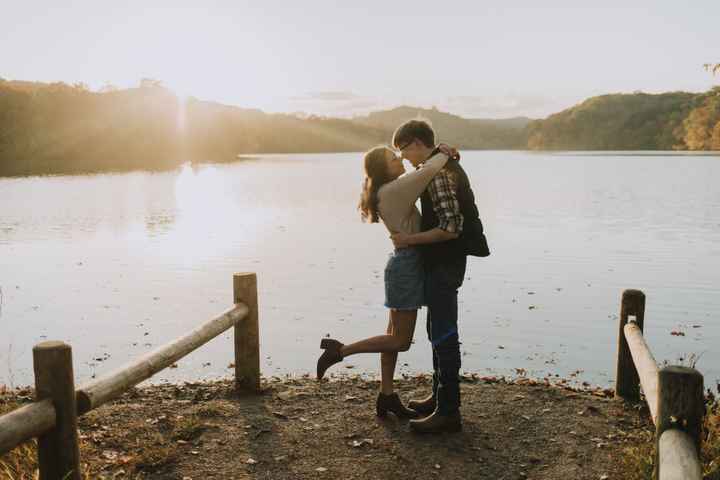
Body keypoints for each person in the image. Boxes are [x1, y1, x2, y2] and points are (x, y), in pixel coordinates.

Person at [316, 142, 456, 419]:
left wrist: (434, 156)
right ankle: (340, 351)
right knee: (400, 341)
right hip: (407, 267)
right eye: (394, 158)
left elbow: (419, 172)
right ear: (383, 169)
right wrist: (444, 152)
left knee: (391, 337)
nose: (400, 158)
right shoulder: (393, 190)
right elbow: (428, 171)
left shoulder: (388, 189)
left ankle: (387, 396)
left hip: (402, 264)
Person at [390, 119, 490, 433]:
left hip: (446, 262)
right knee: (437, 329)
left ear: (418, 143)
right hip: (441, 263)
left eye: (405, 150)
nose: (405, 158)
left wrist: (409, 241)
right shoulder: (435, 165)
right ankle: (439, 397)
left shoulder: (440, 174)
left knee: (444, 334)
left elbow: (450, 228)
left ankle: (449, 412)